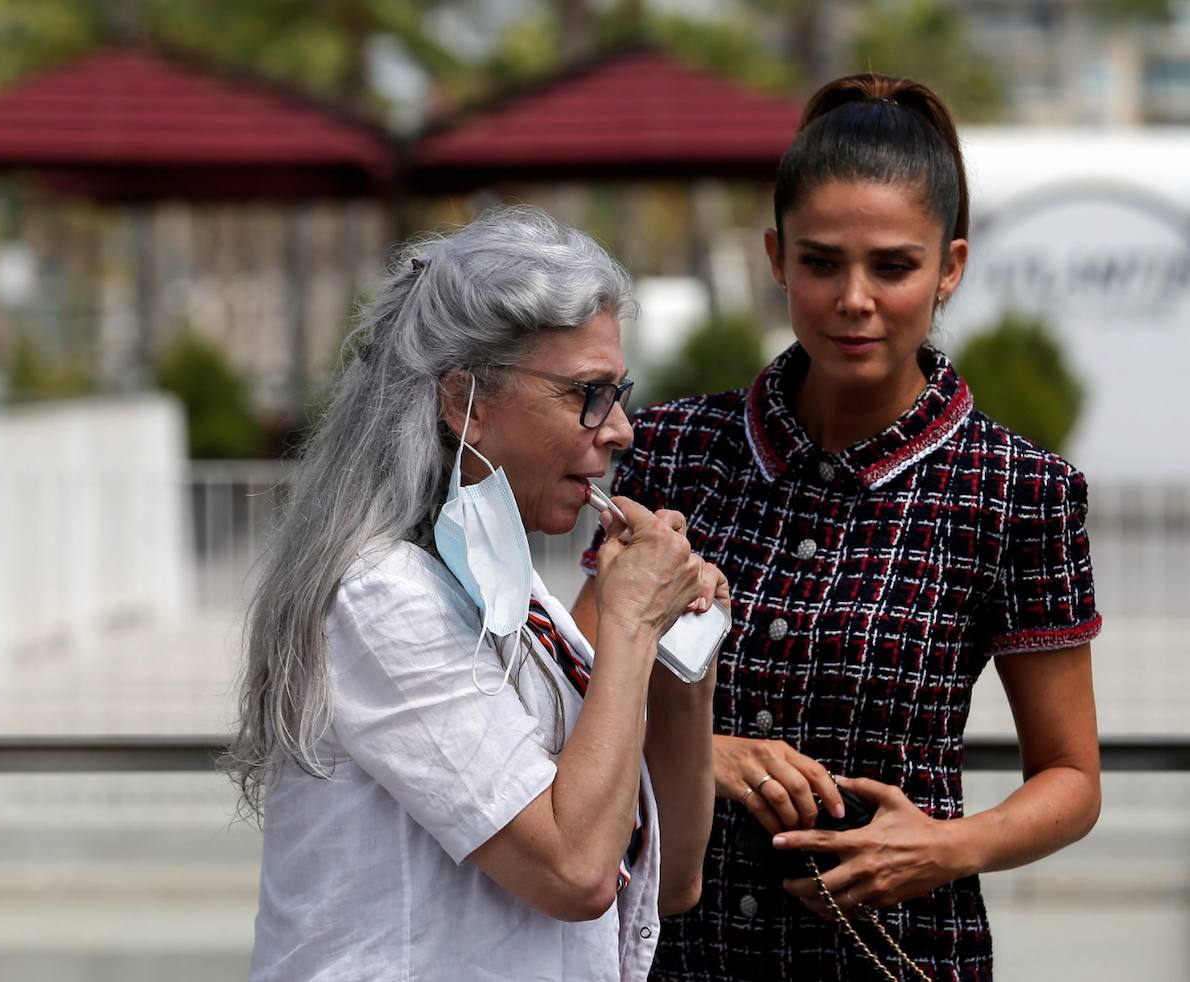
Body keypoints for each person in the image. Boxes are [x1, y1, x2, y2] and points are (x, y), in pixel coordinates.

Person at [572, 74, 1102, 980]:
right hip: (668, 951)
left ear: (952, 268)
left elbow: (1073, 780)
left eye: (893, 266)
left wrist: (944, 849)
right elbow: (576, 675)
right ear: (777, 258)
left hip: (895, 951)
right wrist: (704, 753)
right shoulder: (673, 448)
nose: (854, 298)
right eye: (821, 263)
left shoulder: (1020, 490)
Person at [232, 206, 730, 982]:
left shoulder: (506, 591)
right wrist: (628, 623)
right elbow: (575, 872)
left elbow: (672, 882)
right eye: (587, 394)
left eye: (620, 391)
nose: (622, 429)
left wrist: (682, 655)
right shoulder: (380, 596)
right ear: (464, 400)